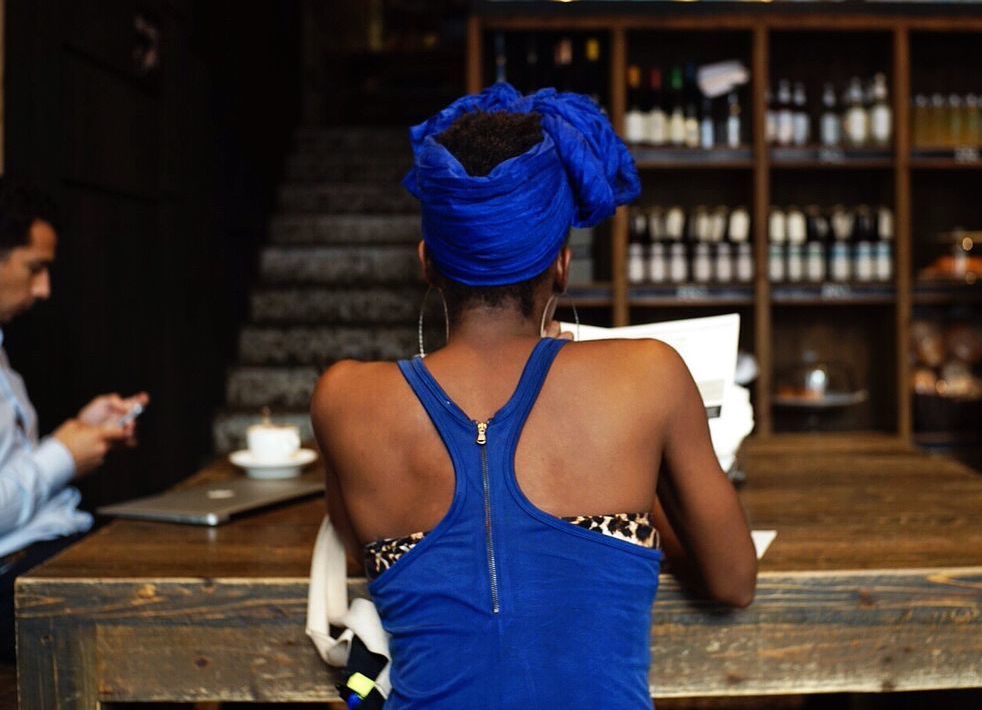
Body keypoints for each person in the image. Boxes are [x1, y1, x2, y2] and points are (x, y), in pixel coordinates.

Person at [312, 84, 756, 708]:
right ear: (562, 265)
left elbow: (357, 538)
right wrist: (637, 477)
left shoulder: (345, 399)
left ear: (426, 261)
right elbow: (734, 580)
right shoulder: (647, 376)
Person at [0, 174, 148, 661]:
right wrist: (58, 458)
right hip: (0, 586)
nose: (44, 289)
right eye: (35, 268)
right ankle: (359, 691)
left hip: (52, 549)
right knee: (196, 612)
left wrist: (83, 428)